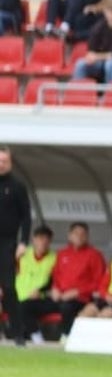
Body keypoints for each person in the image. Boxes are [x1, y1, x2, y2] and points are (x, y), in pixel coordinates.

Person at [0, 147, 31, 344]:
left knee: (9, 288)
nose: (1, 165)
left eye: (4, 161)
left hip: (7, 243)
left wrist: (23, 242)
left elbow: (26, 217)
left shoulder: (17, 186)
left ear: (10, 163)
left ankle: (18, 333)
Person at [12, 225, 57, 346]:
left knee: (24, 308)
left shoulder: (55, 258)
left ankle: (37, 338)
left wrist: (42, 291)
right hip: (18, 295)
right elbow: (8, 271)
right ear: (34, 239)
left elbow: (54, 280)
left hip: (40, 297)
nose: (43, 242)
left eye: (46, 239)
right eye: (40, 238)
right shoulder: (22, 254)